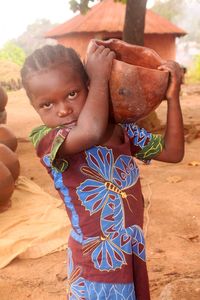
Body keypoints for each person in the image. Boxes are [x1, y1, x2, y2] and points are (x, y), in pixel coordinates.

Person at [20, 41, 184, 300]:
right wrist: (99, 77)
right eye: (47, 105)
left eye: (72, 94)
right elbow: (91, 131)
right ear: (34, 108)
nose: (63, 109)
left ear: (86, 86)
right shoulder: (49, 141)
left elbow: (174, 153)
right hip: (95, 261)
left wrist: (173, 98)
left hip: (129, 251)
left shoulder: (121, 131)